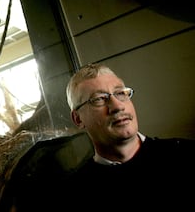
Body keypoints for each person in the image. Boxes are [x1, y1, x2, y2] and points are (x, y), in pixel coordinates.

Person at [64, 63, 195, 209]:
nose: (118, 106)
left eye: (120, 93)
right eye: (99, 99)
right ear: (78, 119)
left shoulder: (186, 154)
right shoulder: (73, 193)